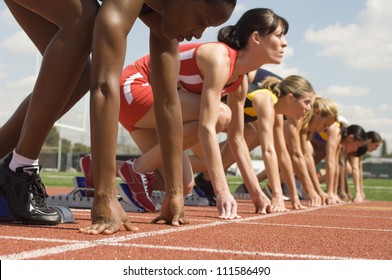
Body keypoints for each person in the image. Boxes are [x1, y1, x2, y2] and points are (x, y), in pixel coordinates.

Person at [0, 0, 236, 234]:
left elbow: (167, 101)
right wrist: (104, 196)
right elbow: (104, 87)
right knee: (83, 19)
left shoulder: (163, 15)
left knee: (80, 76)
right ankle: (19, 172)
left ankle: (12, 172)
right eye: (201, 21)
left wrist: (174, 193)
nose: (198, 34)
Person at [80, 8, 290, 218]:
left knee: (184, 184)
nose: (284, 43)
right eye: (279, 35)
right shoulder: (219, 58)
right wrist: (222, 192)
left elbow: (237, 140)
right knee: (221, 114)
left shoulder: (240, 82)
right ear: (256, 38)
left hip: (150, 113)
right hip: (133, 90)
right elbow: (206, 128)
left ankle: (98, 166)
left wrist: (257, 194)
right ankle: (136, 169)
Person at [190, 70, 315, 212]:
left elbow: (282, 153)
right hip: (194, 114)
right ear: (290, 98)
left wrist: (294, 198)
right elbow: (268, 150)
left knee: (249, 131)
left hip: (208, 119)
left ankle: (204, 181)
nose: (308, 109)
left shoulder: (276, 111)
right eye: (306, 102)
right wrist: (277, 194)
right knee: (207, 161)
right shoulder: (266, 100)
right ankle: (175, 172)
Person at [310, 122, 368, 204]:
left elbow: (335, 166)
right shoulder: (337, 132)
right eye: (357, 146)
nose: (356, 150)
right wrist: (329, 192)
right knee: (309, 154)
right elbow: (329, 161)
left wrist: (333, 192)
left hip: (314, 139)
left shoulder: (340, 141)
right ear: (350, 138)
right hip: (306, 136)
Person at [345, 131, 382, 203]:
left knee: (348, 169)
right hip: (337, 158)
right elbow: (355, 168)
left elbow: (359, 169)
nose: (376, 149)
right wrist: (357, 193)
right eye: (376, 146)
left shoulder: (362, 149)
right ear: (369, 141)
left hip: (341, 162)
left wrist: (361, 192)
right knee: (348, 169)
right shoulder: (359, 146)